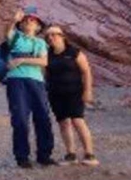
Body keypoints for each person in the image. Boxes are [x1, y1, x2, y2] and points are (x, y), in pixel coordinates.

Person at [4, 7, 55, 168]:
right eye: (26, 20)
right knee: (20, 118)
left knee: (43, 117)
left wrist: (21, 60)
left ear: (38, 26)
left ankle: (44, 155)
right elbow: (7, 32)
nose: (29, 21)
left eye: (32, 20)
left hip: (36, 81)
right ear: (21, 24)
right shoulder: (16, 38)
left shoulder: (41, 43)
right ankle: (22, 157)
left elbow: (44, 62)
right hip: (16, 81)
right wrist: (14, 20)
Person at [42, 25, 98, 165]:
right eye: (48, 36)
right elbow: (44, 73)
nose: (51, 37)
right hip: (55, 93)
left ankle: (89, 154)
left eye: (54, 34)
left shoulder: (74, 52)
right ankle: (70, 154)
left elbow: (86, 72)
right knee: (63, 122)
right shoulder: (47, 54)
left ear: (62, 36)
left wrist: (88, 91)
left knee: (78, 120)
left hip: (74, 92)